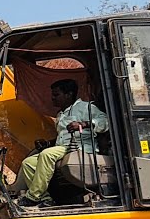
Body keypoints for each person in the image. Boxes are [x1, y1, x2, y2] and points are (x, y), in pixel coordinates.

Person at [15, 79, 109, 208]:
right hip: (63, 148)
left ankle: (33, 197)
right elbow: (62, 136)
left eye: (56, 95)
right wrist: (48, 143)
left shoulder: (86, 107)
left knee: (47, 155)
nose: (53, 98)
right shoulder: (61, 114)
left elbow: (105, 122)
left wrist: (83, 124)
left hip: (80, 148)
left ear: (68, 94)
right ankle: (46, 199)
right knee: (28, 163)